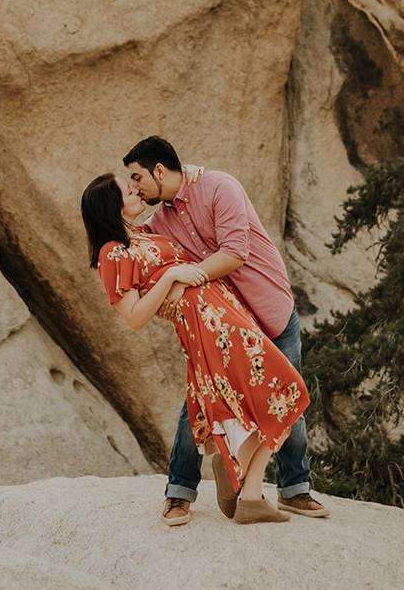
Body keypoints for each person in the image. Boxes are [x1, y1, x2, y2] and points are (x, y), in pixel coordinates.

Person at [123, 135, 330, 526]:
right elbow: (133, 248)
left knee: (286, 396)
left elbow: (235, 252)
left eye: (138, 178)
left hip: (270, 311)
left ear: (160, 169)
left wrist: (185, 279)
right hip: (227, 325)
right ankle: (179, 493)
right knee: (197, 400)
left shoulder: (220, 187)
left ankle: (294, 489)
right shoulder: (159, 221)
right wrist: (129, 215)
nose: (135, 187)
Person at [81, 171, 310, 524]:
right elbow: (135, 316)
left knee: (271, 397)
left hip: (225, 312)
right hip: (210, 326)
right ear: (111, 206)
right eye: (128, 190)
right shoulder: (113, 253)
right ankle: (239, 475)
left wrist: (192, 174)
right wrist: (173, 278)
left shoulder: (144, 232)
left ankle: (248, 492)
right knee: (287, 392)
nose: (136, 190)